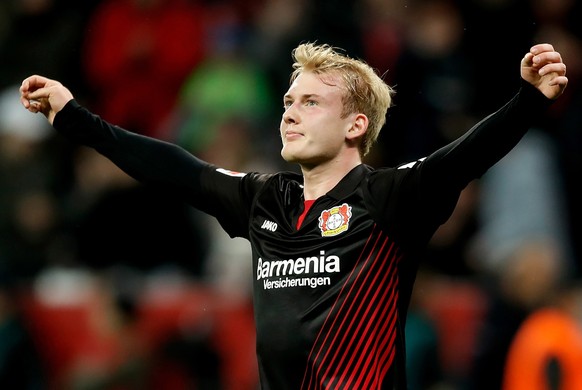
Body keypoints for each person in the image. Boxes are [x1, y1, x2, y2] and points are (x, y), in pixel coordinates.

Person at [19, 42, 567, 389]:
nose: (289, 114)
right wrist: (75, 118)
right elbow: (171, 167)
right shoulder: (264, 200)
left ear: (355, 125)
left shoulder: (390, 197)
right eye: (287, 102)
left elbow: (464, 156)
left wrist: (528, 98)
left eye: (309, 103)